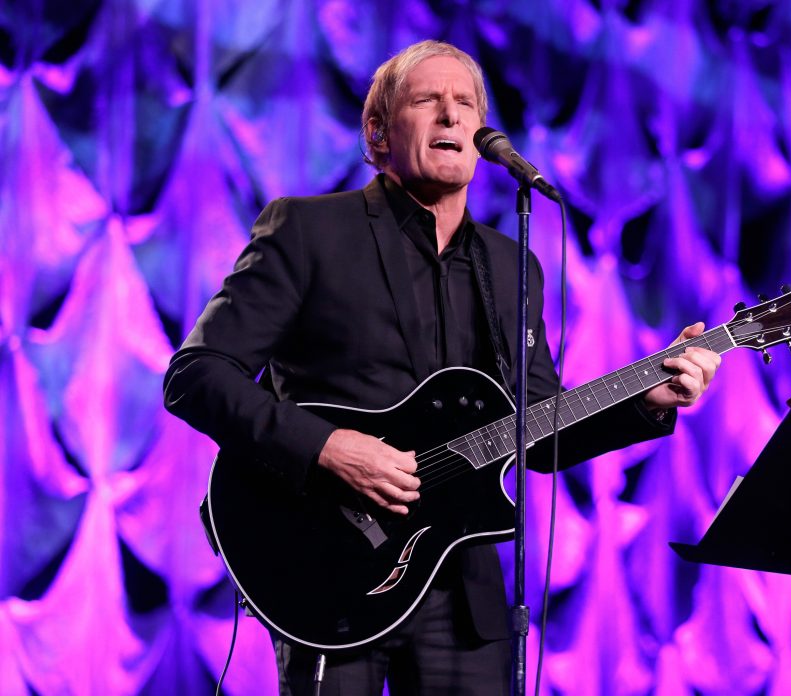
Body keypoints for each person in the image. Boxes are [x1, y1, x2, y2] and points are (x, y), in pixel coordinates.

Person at [163, 40, 720, 696]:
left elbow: (534, 428)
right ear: (378, 131)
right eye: (429, 100)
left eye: (467, 105)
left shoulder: (513, 266)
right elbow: (196, 375)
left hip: (463, 589)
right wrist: (328, 449)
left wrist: (647, 402)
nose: (453, 117)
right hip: (328, 566)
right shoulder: (308, 232)